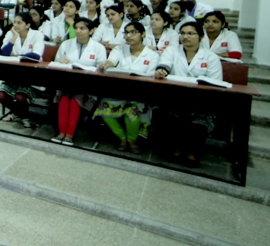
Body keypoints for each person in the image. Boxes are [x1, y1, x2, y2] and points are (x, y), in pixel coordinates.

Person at [154, 21, 224, 166]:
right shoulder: (172, 50)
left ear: (201, 36)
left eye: (190, 33)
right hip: (175, 96)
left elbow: (215, 83)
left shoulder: (211, 57)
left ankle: (192, 152)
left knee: (199, 119)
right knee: (168, 113)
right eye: (183, 33)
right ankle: (176, 149)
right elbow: (164, 64)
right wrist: (162, 70)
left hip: (201, 100)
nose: (185, 37)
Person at [95, 22, 159, 153]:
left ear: (143, 34)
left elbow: (152, 75)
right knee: (104, 108)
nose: (128, 36)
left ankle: (132, 140)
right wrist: (106, 64)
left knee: (132, 111)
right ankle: (122, 138)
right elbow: (112, 61)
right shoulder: (119, 49)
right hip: (119, 91)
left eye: (133, 32)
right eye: (126, 32)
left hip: (140, 93)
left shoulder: (152, 55)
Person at [51, 19, 106, 145]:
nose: (78, 31)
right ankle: (61, 133)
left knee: (76, 97)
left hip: (87, 86)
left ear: (91, 31)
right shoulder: (66, 44)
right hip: (67, 82)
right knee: (65, 96)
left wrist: (99, 67)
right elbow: (56, 63)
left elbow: (100, 69)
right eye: (76, 28)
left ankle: (69, 135)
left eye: (82, 28)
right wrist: (61, 62)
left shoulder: (99, 48)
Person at [0, 13, 47, 127]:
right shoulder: (10, 33)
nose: (16, 25)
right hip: (13, 74)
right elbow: (4, 53)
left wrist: (18, 56)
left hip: (31, 74)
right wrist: (14, 37)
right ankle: (21, 114)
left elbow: (36, 55)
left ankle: (22, 116)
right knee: (1, 95)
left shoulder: (37, 35)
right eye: (15, 22)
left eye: (19, 22)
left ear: (27, 25)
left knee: (20, 96)